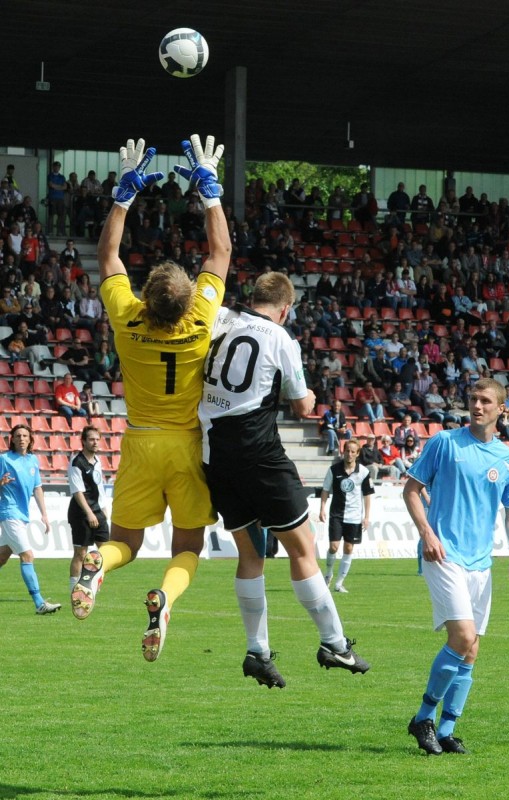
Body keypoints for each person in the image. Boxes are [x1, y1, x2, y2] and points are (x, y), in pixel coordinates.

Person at [70, 135, 231, 667]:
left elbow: (107, 254)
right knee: (187, 548)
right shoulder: (201, 318)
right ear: (186, 295)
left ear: (148, 293)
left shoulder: (128, 316)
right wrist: (208, 190)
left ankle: (97, 563)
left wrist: (124, 192)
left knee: (126, 544)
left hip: (139, 441)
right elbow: (221, 252)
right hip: (186, 444)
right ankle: (165, 601)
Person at [199, 271, 370, 688]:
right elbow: (301, 406)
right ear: (286, 308)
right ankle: (333, 642)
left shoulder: (219, 318)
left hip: (212, 453)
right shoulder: (281, 339)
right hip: (258, 452)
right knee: (303, 547)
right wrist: (310, 397)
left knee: (251, 552)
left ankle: (257, 651)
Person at [404, 378, 509, 755]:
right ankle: (423, 717)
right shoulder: (444, 442)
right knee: (461, 638)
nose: (477, 406)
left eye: (485, 401)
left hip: (480, 562)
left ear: (501, 409)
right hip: (443, 554)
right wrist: (427, 533)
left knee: (471, 649)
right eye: (473, 399)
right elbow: (410, 489)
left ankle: (446, 729)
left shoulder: (507, 460)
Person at [0, 424, 61, 615]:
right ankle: (39, 603)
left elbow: (37, 488)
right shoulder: (4, 459)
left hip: (22, 515)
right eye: (17, 435)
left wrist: (44, 514)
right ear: (12, 439)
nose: (21, 438)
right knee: (27, 556)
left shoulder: (33, 460)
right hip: (9, 513)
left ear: (30, 439)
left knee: (2, 557)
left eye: (25, 435)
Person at [320, 439, 374, 593]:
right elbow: (325, 490)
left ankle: (339, 583)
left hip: (355, 516)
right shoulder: (334, 470)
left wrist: (367, 516)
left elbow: (367, 495)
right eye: (347, 451)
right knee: (333, 546)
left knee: (349, 548)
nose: (349, 454)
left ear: (357, 454)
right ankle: (328, 573)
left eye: (352, 451)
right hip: (337, 514)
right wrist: (322, 508)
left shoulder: (363, 472)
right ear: (343, 452)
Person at [67, 426, 110, 592]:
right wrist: (90, 513)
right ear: (83, 441)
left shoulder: (97, 461)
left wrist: (103, 508)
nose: (95, 442)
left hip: (98, 510)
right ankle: (74, 589)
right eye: (92, 439)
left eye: (97, 439)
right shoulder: (76, 462)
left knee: (106, 551)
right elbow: (78, 492)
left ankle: (92, 581)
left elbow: (99, 487)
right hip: (81, 514)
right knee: (80, 553)